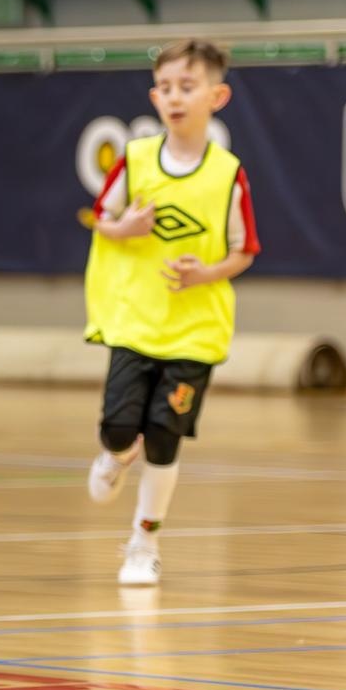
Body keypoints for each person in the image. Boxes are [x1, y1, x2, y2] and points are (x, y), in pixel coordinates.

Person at [83, 38, 261, 587]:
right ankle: (115, 454)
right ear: (153, 97)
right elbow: (99, 219)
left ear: (218, 95)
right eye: (165, 88)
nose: (175, 97)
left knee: (164, 437)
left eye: (188, 86)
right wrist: (124, 227)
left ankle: (144, 543)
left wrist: (204, 274)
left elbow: (244, 250)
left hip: (193, 332)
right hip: (136, 322)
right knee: (118, 427)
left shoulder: (228, 174)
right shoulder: (135, 162)